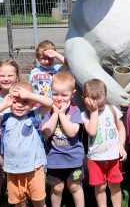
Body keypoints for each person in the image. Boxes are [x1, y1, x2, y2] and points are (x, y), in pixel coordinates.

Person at [0, 80, 53, 207]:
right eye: (15, 101)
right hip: (13, 170)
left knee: (38, 201)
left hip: (34, 169)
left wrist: (30, 95)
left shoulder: (34, 115)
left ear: (31, 104)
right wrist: (3, 105)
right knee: (19, 202)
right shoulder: (6, 118)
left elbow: (49, 103)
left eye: (24, 102)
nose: (19, 105)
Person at [40, 72, 85, 207]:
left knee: (75, 187)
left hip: (73, 159)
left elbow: (72, 132)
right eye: (55, 94)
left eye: (64, 95)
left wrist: (62, 115)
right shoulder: (48, 111)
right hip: (54, 159)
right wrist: (56, 114)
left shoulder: (74, 110)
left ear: (73, 93)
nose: (59, 98)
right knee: (57, 188)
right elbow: (47, 132)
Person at [82, 78, 127, 207]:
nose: (99, 108)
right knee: (100, 188)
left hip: (113, 157)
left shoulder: (112, 110)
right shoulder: (85, 115)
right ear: (84, 99)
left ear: (106, 96)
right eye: (96, 105)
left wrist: (121, 146)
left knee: (115, 186)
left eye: (101, 105)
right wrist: (94, 111)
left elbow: (121, 128)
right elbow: (92, 131)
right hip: (95, 159)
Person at [0, 59, 21, 203]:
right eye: (2, 75)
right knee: (0, 166)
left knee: (19, 167)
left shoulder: (22, 95)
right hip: (0, 140)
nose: (6, 79)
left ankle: (22, 193)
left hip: (19, 140)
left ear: (17, 77)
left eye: (10, 75)